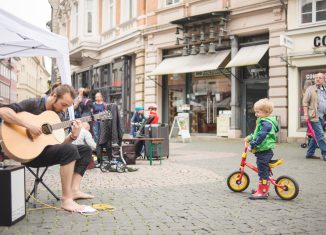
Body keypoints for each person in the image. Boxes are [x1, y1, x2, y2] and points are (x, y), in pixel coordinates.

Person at [0, 84, 96, 213]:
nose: (64, 110)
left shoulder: (58, 116)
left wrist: (73, 136)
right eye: (63, 104)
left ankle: (74, 190)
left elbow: (60, 144)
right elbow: (3, 111)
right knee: (70, 150)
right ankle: (66, 200)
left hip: (46, 152)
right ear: (54, 96)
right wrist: (28, 125)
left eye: (67, 106)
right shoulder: (33, 104)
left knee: (85, 149)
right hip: (28, 153)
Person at [244, 98, 279, 200]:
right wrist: (250, 137)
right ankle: (263, 189)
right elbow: (257, 134)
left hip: (264, 151)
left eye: (258, 112)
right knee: (263, 171)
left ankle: (263, 192)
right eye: (255, 112)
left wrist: (253, 144)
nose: (256, 114)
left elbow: (261, 136)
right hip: (264, 151)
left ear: (266, 112)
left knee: (262, 172)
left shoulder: (266, 123)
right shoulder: (263, 121)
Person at [303, 72, 326, 161]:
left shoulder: (324, 89)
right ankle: (325, 154)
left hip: (323, 116)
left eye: (320, 78)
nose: (317, 79)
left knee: (314, 135)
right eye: (316, 77)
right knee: (320, 135)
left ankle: (309, 153)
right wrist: (305, 114)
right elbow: (305, 102)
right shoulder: (310, 89)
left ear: (324, 79)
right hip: (314, 116)